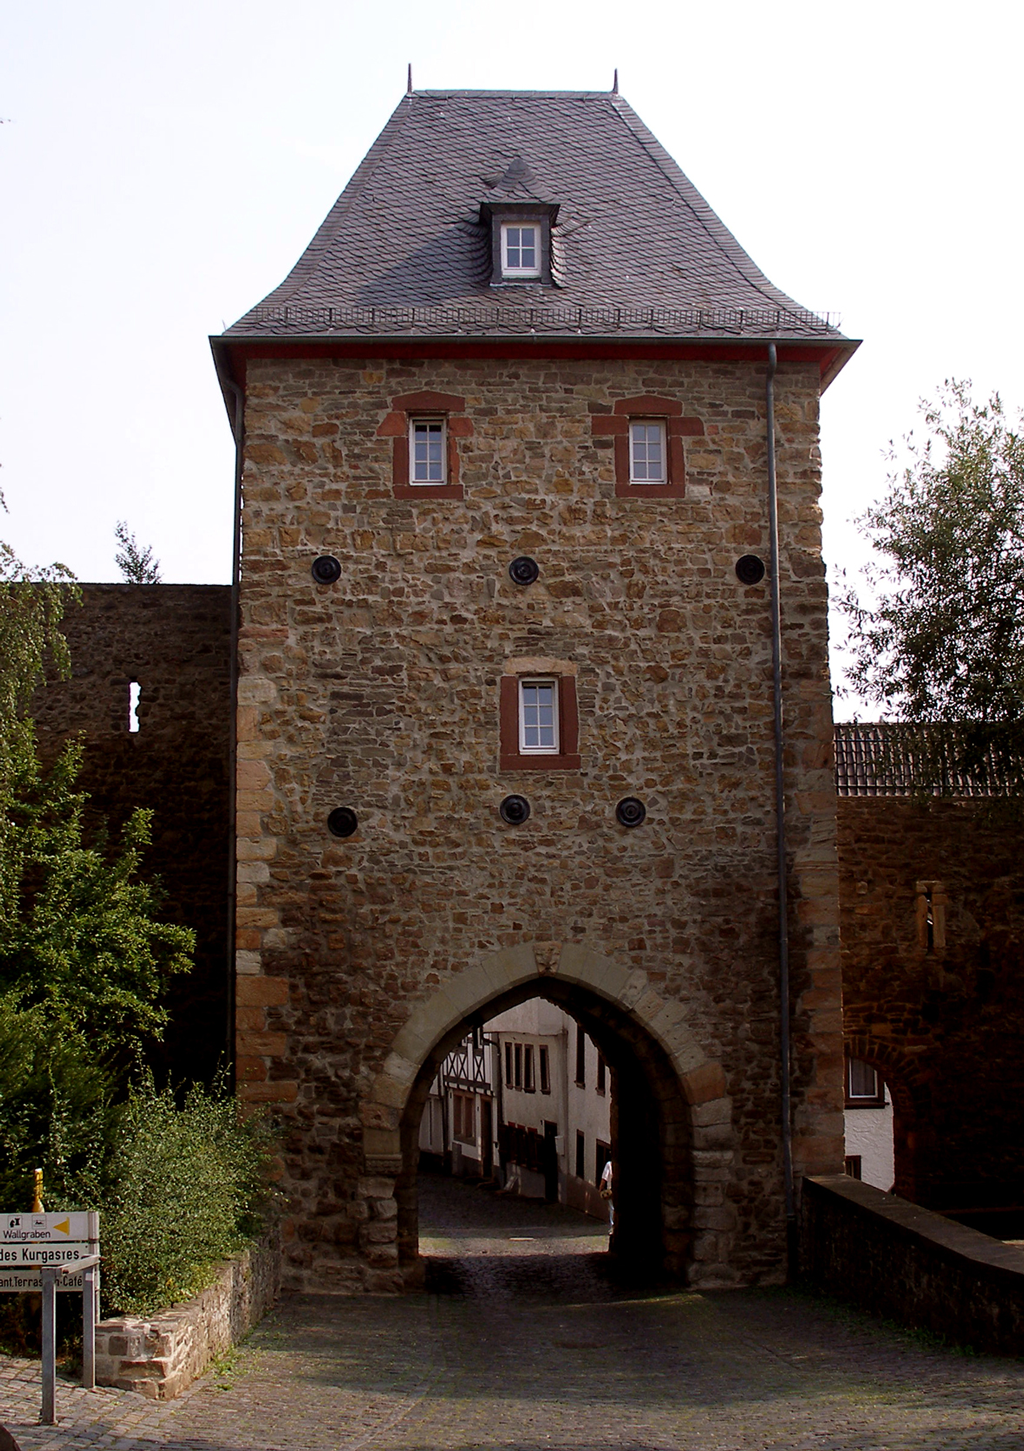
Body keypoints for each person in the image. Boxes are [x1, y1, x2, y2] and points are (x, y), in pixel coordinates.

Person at [600, 1157, 614, 1232]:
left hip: (611, 1190)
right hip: (618, 1190)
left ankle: (613, 1225)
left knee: (612, 1208)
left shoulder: (609, 1164)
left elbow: (604, 1178)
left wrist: (601, 1188)